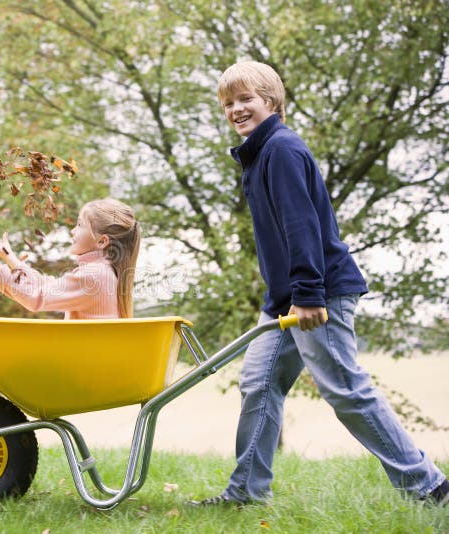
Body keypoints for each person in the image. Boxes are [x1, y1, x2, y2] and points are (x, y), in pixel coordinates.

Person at [189, 60, 448, 506]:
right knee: (258, 382)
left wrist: (308, 294)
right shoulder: (259, 153)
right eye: (228, 103)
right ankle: (247, 493)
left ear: (271, 101)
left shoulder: (281, 150)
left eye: (246, 98)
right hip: (286, 300)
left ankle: (430, 487)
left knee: (345, 388)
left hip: (317, 294)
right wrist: (285, 298)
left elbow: (301, 224)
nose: (236, 109)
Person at [0, 198, 140, 319]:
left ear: (102, 241)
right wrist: (8, 256)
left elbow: (35, 297)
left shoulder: (94, 275)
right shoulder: (103, 271)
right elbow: (47, 285)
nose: (72, 231)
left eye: (80, 225)